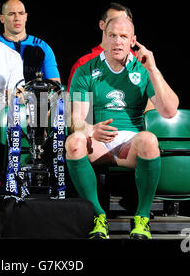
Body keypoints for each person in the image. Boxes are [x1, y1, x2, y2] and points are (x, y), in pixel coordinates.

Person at [66, 16, 179, 240]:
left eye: (124, 36)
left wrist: (154, 69)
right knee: (74, 142)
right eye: (113, 35)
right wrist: (90, 129)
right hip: (98, 143)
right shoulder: (86, 71)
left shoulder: (143, 70)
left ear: (133, 41)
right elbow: (76, 120)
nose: (118, 41)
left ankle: (142, 219)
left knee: (149, 140)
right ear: (104, 39)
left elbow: (169, 111)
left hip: (130, 144)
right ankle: (98, 216)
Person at [0, 0, 61, 83]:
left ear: (26, 17)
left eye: (21, 13)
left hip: (36, 95)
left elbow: (55, 86)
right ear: (2, 18)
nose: (17, 18)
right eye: (11, 14)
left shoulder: (42, 46)